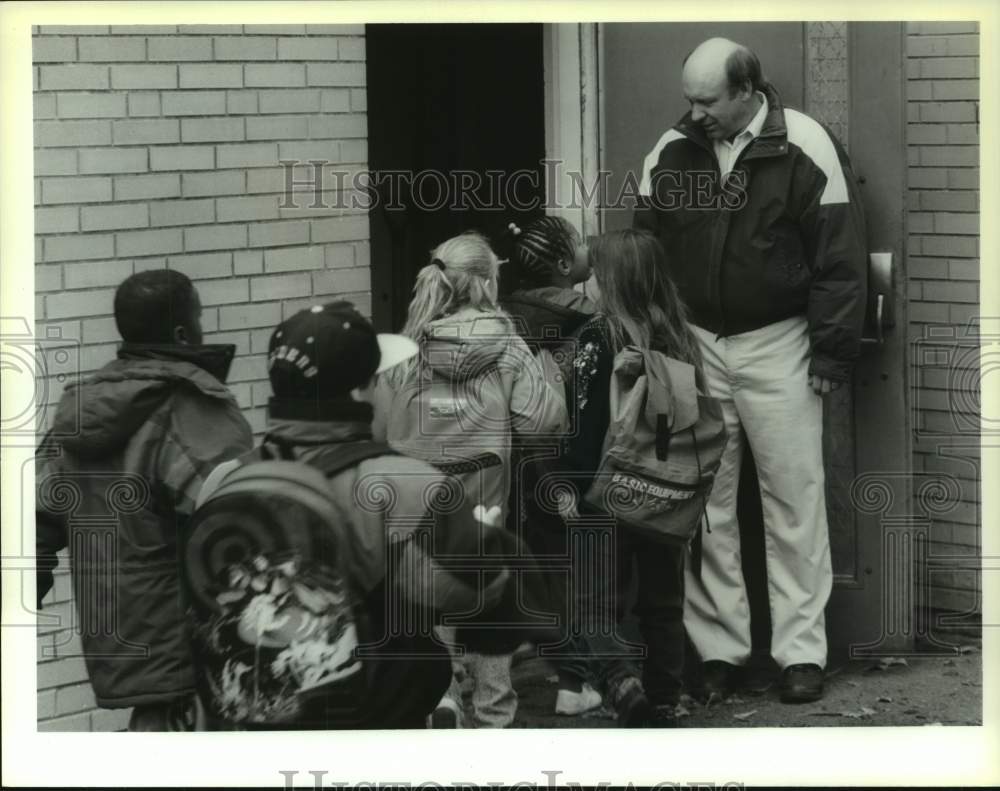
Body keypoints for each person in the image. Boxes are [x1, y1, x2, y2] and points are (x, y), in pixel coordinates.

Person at [634, 37, 867, 703]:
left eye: (707, 100)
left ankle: (800, 652)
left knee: (794, 495)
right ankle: (720, 651)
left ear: (746, 91)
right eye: (689, 99)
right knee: (709, 500)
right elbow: (645, 251)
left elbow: (840, 258)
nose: (694, 112)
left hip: (780, 340)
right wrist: (658, 347)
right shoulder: (670, 151)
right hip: (696, 343)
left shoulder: (804, 144)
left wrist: (830, 351)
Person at [191, 301, 509, 729]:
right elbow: (477, 597)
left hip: (251, 733)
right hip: (369, 736)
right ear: (362, 393)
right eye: (380, 382)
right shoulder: (408, 487)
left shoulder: (223, 481)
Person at [35, 269, 253, 731]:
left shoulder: (75, 421)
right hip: (201, 659)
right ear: (182, 332)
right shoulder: (189, 409)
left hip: (128, 657)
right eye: (198, 317)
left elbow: (30, 531)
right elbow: (242, 530)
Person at [374, 231, 567, 728]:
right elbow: (541, 422)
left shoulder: (403, 348)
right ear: (486, 281)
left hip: (414, 501)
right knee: (489, 598)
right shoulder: (508, 344)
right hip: (485, 503)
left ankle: (441, 698)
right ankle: (494, 715)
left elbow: (377, 431)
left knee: (426, 594)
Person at [554, 228, 704, 728]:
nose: (587, 284)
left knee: (595, 601)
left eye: (593, 274)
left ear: (612, 280)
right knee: (663, 600)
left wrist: (569, 485)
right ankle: (666, 694)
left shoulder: (598, 337)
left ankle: (620, 681)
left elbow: (585, 422)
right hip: (665, 489)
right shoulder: (680, 334)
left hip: (607, 488)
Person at [498, 216, 603, 717]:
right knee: (574, 572)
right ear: (565, 265)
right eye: (582, 245)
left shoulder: (504, 315)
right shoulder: (590, 317)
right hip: (567, 457)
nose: (590, 249)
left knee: (525, 560)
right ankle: (575, 680)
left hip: (513, 457)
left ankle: (510, 661)